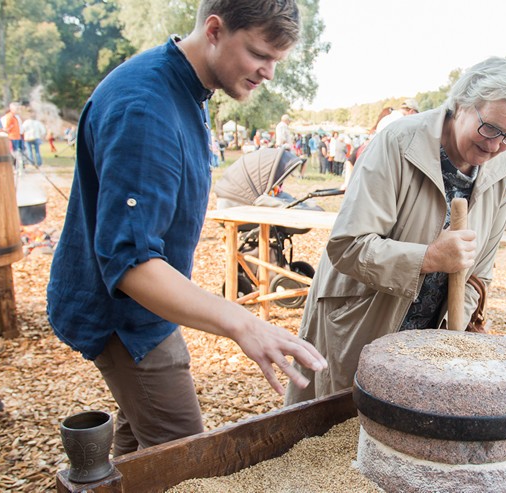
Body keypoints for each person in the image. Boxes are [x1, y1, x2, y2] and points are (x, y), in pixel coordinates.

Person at [47, 0, 327, 457]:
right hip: (125, 315)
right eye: (260, 54)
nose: (269, 73)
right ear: (214, 30)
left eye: (276, 60)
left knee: (139, 444)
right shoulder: (145, 107)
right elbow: (130, 264)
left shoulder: (191, 88)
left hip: (151, 309)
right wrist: (242, 322)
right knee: (185, 461)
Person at [285, 56, 506, 405]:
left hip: (429, 339)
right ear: (461, 104)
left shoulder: (504, 166)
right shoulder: (398, 142)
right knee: (342, 427)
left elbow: (481, 270)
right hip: (364, 318)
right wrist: (429, 257)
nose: (495, 145)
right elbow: (347, 246)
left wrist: (455, 336)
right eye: (490, 129)